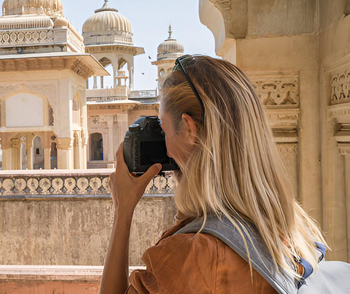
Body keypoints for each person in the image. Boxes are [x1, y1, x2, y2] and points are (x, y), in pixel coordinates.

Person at [99, 55, 326, 294]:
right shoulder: (291, 226)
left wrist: (123, 210)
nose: (164, 147)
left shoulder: (189, 255)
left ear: (188, 129)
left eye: (163, 129)